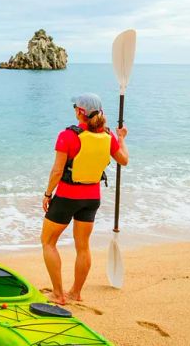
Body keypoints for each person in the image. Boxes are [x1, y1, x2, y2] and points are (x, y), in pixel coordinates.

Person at [40, 93, 129, 305]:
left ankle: (58, 294)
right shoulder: (108, 137)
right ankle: (75, 293)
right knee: (83, 246)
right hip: (91, 199)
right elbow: (124, 160)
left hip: (66, 197)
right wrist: (122, 138)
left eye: (75, 106)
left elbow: (57, 171)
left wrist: (47, 193)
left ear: (81, 112)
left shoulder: (67, 136)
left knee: (48, 242)